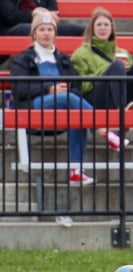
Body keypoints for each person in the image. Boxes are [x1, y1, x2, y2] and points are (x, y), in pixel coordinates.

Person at [9, 8, 126, 185]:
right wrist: (49, 89)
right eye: (41, 29)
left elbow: (76, 85)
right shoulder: (23, 59)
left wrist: (66, 90)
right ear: (34, 33)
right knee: (70, 100)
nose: (46, 33)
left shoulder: (63, 59)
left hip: (64, 107)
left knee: (77, 112)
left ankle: (76, 170)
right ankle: (103, 130)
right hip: (34, 106)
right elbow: (19, 88)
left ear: (55, 33)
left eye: (50, 30)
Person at [71, 7, 133, 112]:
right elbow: (81, 87)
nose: (103, 28)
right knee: (117, 66)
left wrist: (125, 70)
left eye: (106, 25)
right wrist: (107, 71)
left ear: (111, 29)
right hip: (96, 98)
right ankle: (122, 109)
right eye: (99, 25)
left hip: (121, 93)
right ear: (92, 29)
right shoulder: (80, 54)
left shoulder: (123, 52)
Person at [0, 0, 84, 66]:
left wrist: (44, 17)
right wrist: (33, 14)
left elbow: (54, 14)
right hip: (11, 29)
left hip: (45, 26)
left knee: (80, 30)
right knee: (27, 28)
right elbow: (10, 17)